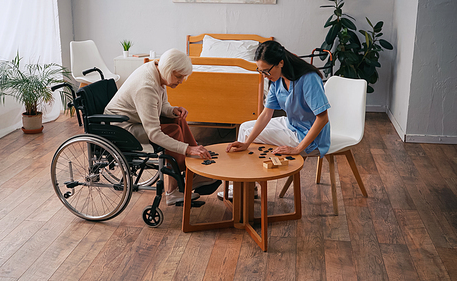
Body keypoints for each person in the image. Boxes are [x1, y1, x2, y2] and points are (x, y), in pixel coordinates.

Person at [104, 48, 218, 205]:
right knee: (172, 131)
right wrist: (187, 148)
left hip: (135, 118)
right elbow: (154, 134)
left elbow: (160, 104)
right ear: (168, 70)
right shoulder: (146, 86)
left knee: (178, 120)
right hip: (122, 127)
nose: (181, 81)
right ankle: (172, 190)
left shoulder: (157, 70)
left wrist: (172, 110)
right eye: (178, 77)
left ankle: (194, 171)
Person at [221, 40, 331, 199]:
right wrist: (246, 143)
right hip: (292, 124)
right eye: (261, 71)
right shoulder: (276, 80)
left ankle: (244, 188)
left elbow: (323, 118)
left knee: (247, 133)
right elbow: (266, 114)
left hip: (309, 135)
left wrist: (298, 149)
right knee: (245, 128)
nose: (265, 75)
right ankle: (247, 186)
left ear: (281, 63)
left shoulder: (308, 79)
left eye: (266, 71)